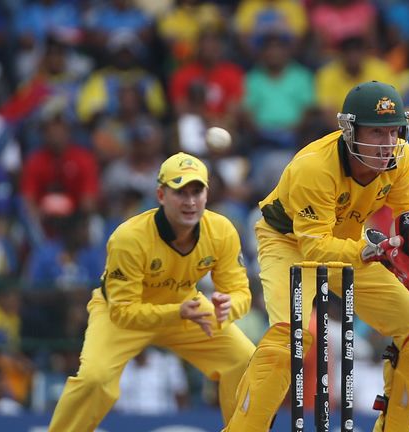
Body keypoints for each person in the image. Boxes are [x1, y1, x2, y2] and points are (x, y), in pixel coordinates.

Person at [224, 80, 409, 432]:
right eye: (376, 132)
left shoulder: (401, 156)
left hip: (349, 239)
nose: (387, 143)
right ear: (349, 130)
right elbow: (315, 247)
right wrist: (376, 250)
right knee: (290, 339)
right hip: (289, 242)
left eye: (393, 131)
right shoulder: (314, 167)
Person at [49, 152, 256, 431]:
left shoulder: (221, 230)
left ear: (207, 195)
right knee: (94, 379)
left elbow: (240, 291)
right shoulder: (129, 238)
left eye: (197, 192)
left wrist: (230, 306)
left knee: (244, 360)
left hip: (187, 309)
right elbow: (123, 312)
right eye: (180, 192)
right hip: (122, 315)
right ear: (161, 195)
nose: (190, 202)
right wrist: (177, 312)